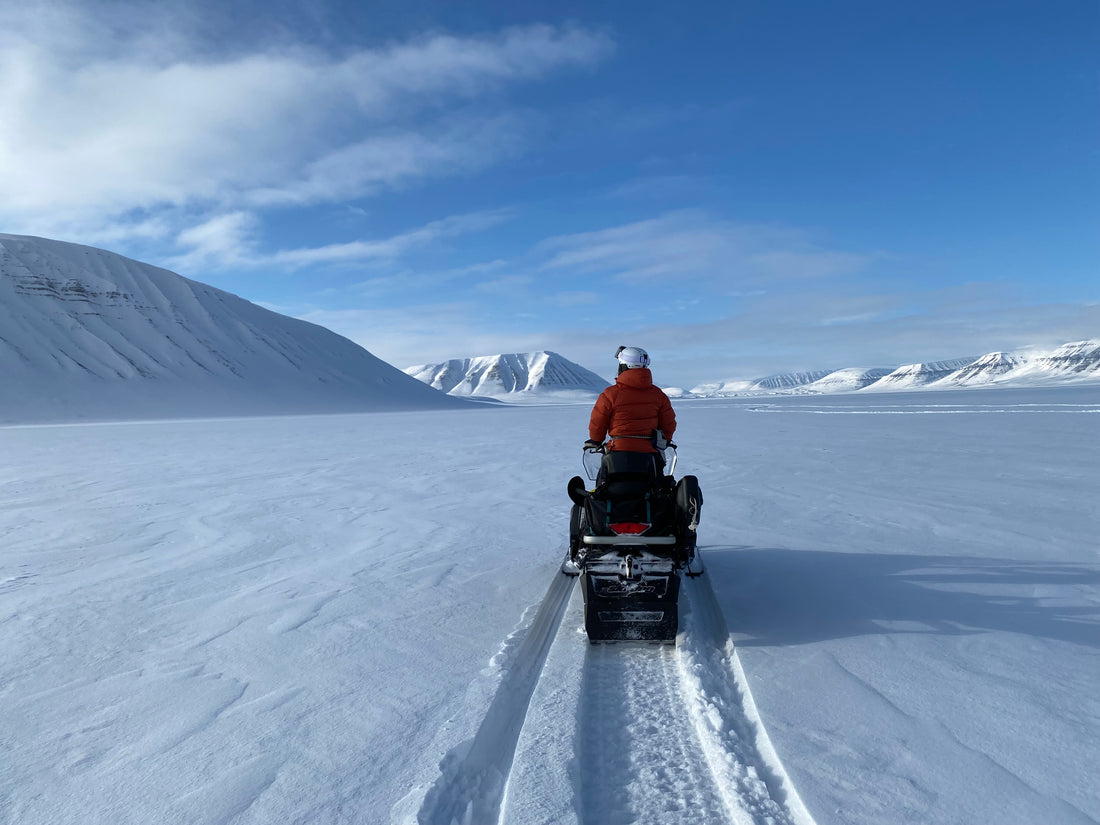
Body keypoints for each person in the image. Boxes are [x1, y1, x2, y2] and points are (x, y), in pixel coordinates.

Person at [586, 345, 676, 456]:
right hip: (651, 453)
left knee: (604, 472)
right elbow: (669, 424)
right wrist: (665, 440)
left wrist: (596, 440)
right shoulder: (658, 395)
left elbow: (598, 422)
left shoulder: (610, 394)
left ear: (623, 366)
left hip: (617, 452)